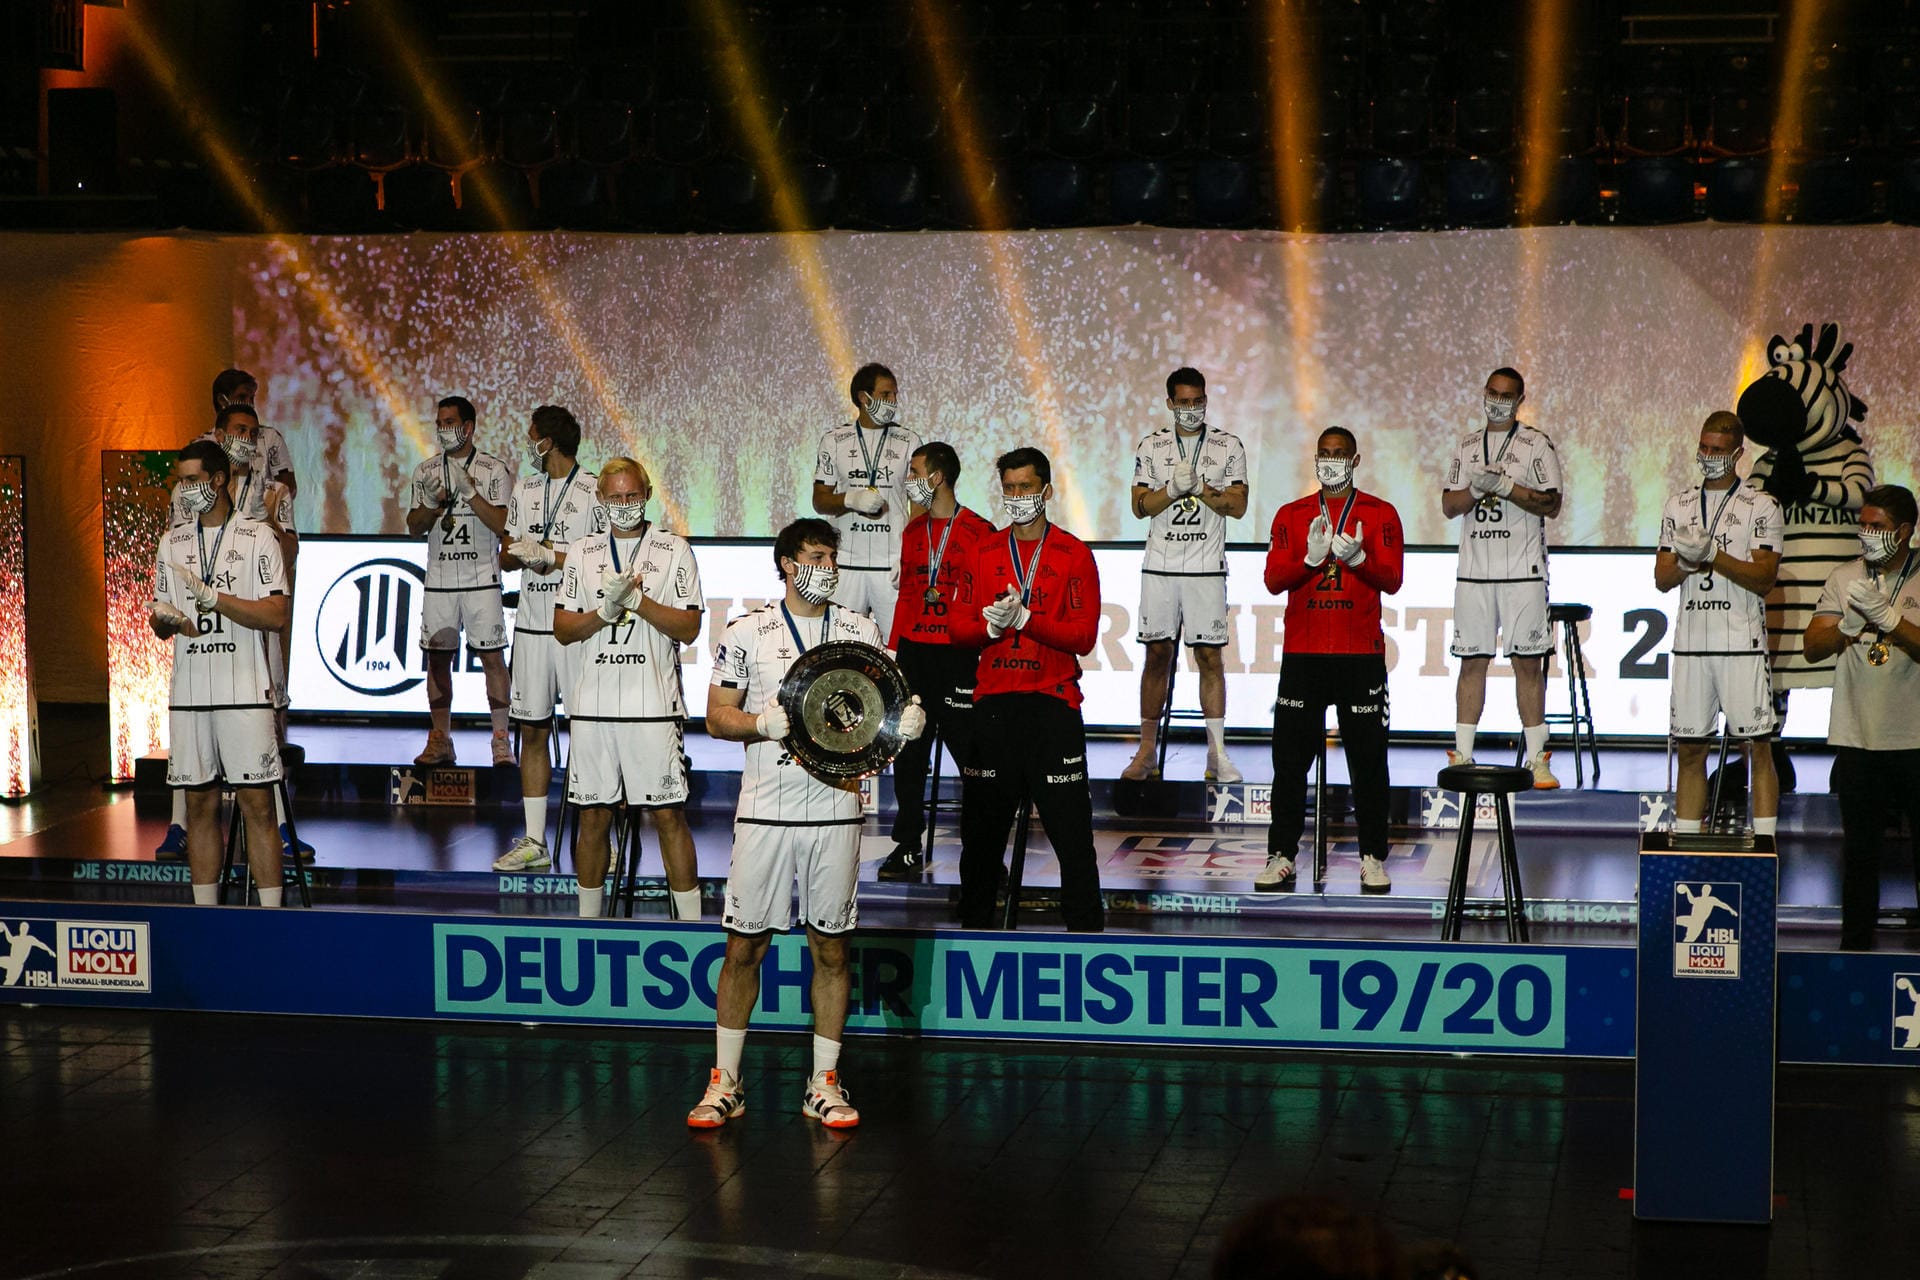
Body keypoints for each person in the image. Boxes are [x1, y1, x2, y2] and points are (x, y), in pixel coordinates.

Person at [693, 518, 927, 1129]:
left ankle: (824, 1081)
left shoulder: (861, 630)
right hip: (765, 808)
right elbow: (717, 716)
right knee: (745, 946)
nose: (829, 567)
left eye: (833, 556)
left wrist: (907, 721)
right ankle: (726, 1082)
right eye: (817, 557)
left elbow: (887, 708)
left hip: (836, 808)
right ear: (787, 564)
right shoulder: (747, 630)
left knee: (830, 946)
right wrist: (759, 724)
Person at [950, 448, 1105, 931]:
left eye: (1026, 487)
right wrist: (989, 629)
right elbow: (957, 628)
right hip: (994, 705)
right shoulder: (983, 550)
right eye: (1009, 488)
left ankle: (1086, 938)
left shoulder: (1073, 553)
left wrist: (1029, 621)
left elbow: (1083, 636)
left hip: (1051, 705)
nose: (1017, 497)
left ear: (1047, 492)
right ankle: (973, 937)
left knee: (1073, 838)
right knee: (980, 840)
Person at [552, 459, 705, 920]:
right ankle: (588, 924)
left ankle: (692, 927)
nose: (624, 505)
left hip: (652, 708)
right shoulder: (581, 552)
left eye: (632, 495)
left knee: (668, 817)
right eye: (615, 497)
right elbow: (562, 628)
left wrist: (638, 602)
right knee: (593, 816)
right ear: (600, 499)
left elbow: (691, 626)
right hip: (594, 708)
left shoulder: (673, 548)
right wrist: (603, 613)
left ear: (648, 493)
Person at [1258, 427, 1404, 893]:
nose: (1331, 461)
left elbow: (1394, 579)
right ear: (1315, 458)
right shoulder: (1292, 514)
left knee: (1368, 761)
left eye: (1340, 454)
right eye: (1324, 453)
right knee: (1289, 761)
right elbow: (1273, 581)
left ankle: (1372, 857)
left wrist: (1360, 560)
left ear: (1355, 459)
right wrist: (1308, 559)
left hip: (1359, 655)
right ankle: (1281, 854)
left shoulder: (1381, 514)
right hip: (1303, 655)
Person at [146, 440, 291, 905]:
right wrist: (162, 620)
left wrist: (215, 599)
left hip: (244, 690)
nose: (184, 490)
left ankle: (272, 921)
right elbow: (163, 624)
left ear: (219, 480)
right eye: (179, 480)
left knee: (258, 807)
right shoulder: (173, 541)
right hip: (189, 692)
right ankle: (207, 919)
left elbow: (275, 615)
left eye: (192, 480)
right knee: (198, 804)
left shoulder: (257, 536)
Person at [1653, 411, 1782, 836]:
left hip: (1741, 644)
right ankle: (1687, 847)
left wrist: (1713, 556)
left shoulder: (1762, 505)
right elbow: (1661, 579)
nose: (1708, 456)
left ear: (1739, 454)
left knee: (1757, 749)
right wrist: (1689, 562)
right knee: (1691, 751)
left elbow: (1763, 578)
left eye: (1719, 451)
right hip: (1691, 644)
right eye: (1704, 448)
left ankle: (1765, 851)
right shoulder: (1679, 503)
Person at [1804, 484, 1920, 951]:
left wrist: (1891, 621)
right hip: (1857, 737)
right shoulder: (1845, 576)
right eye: (1863, 524)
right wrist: (1847, 628)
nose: (1867, 534)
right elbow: (1812, 647)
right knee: (1859, 854)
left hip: (1913, 737)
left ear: (1906, 531)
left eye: (1878, 526)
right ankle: (1854, 948)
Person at [1122, 367, 1250, 783]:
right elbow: (1139, 505)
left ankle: (1217, 755)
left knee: (1210, 658)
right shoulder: (1153, 446)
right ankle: (1145, 753)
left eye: (1199, 401)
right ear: (1170, 403)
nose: (1192, 409)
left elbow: (1239, 504)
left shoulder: (1228, 445)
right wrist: (1173, 490)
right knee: (1157, 655)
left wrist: (1202, 489)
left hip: (1205, 567)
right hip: (1160, 566)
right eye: (1184, 402)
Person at [1441, 366, 1563, 788]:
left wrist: (1510, 488)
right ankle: (1462, 753)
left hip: (1523, 573)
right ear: (1483, 394)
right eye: (1493, 392)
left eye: (1507, 394)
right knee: (1471, 662)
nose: (1498, 400)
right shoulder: (1468, 445)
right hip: (1474, 573)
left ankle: (1537, 759)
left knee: (1528, 664)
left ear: (1520, 399)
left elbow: (1552, 503)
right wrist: (1475, 490)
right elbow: (1448, 506)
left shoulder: (1535, 444)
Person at [495, 406, 605, 873]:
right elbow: (504, 554)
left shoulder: (593, 489)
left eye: (533, 436)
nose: (528, 443)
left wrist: (553, 558)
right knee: (534, 731)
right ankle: (535, 841)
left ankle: (601, 841)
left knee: (587, 732)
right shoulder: (525, 487)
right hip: (531, 626)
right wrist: (520, 555)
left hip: (577, 628)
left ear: (551, 440)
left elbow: (605, 560)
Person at [878, 441, 992, 881]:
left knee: (972, 757)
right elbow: (908, 594)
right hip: (914, 653)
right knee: (908, 752)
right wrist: (896, 649)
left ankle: (980, 851)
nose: (910, 480)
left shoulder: (980, 531)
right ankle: (907, 844)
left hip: (958, 654)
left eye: (916, 471)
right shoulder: (912, 530)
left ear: (938, 477)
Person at [404, 395, 513, 767]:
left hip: (482, 578)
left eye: (450, 422)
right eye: (439, 423)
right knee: (437, 660)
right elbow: (413, 528)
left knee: (492, 658)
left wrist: (470, 492)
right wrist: (433, 505)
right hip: (439, 580)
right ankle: (441, 738)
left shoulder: (493, 469)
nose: (443, 429)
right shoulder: (425, 471)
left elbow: (502, 526)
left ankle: (501, 740)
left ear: (468, 427)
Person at [811, 361, 923, 643]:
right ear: (864, 397)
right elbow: (819, 501)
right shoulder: (834, 440)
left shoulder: (909, 440)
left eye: (895, 395)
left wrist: (909, 554)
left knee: (898, 648)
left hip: (891, 566)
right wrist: (851, 498)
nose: (893, 401)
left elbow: (918, 504)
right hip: (847, 563)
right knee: (841, 646)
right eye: (886, 395)